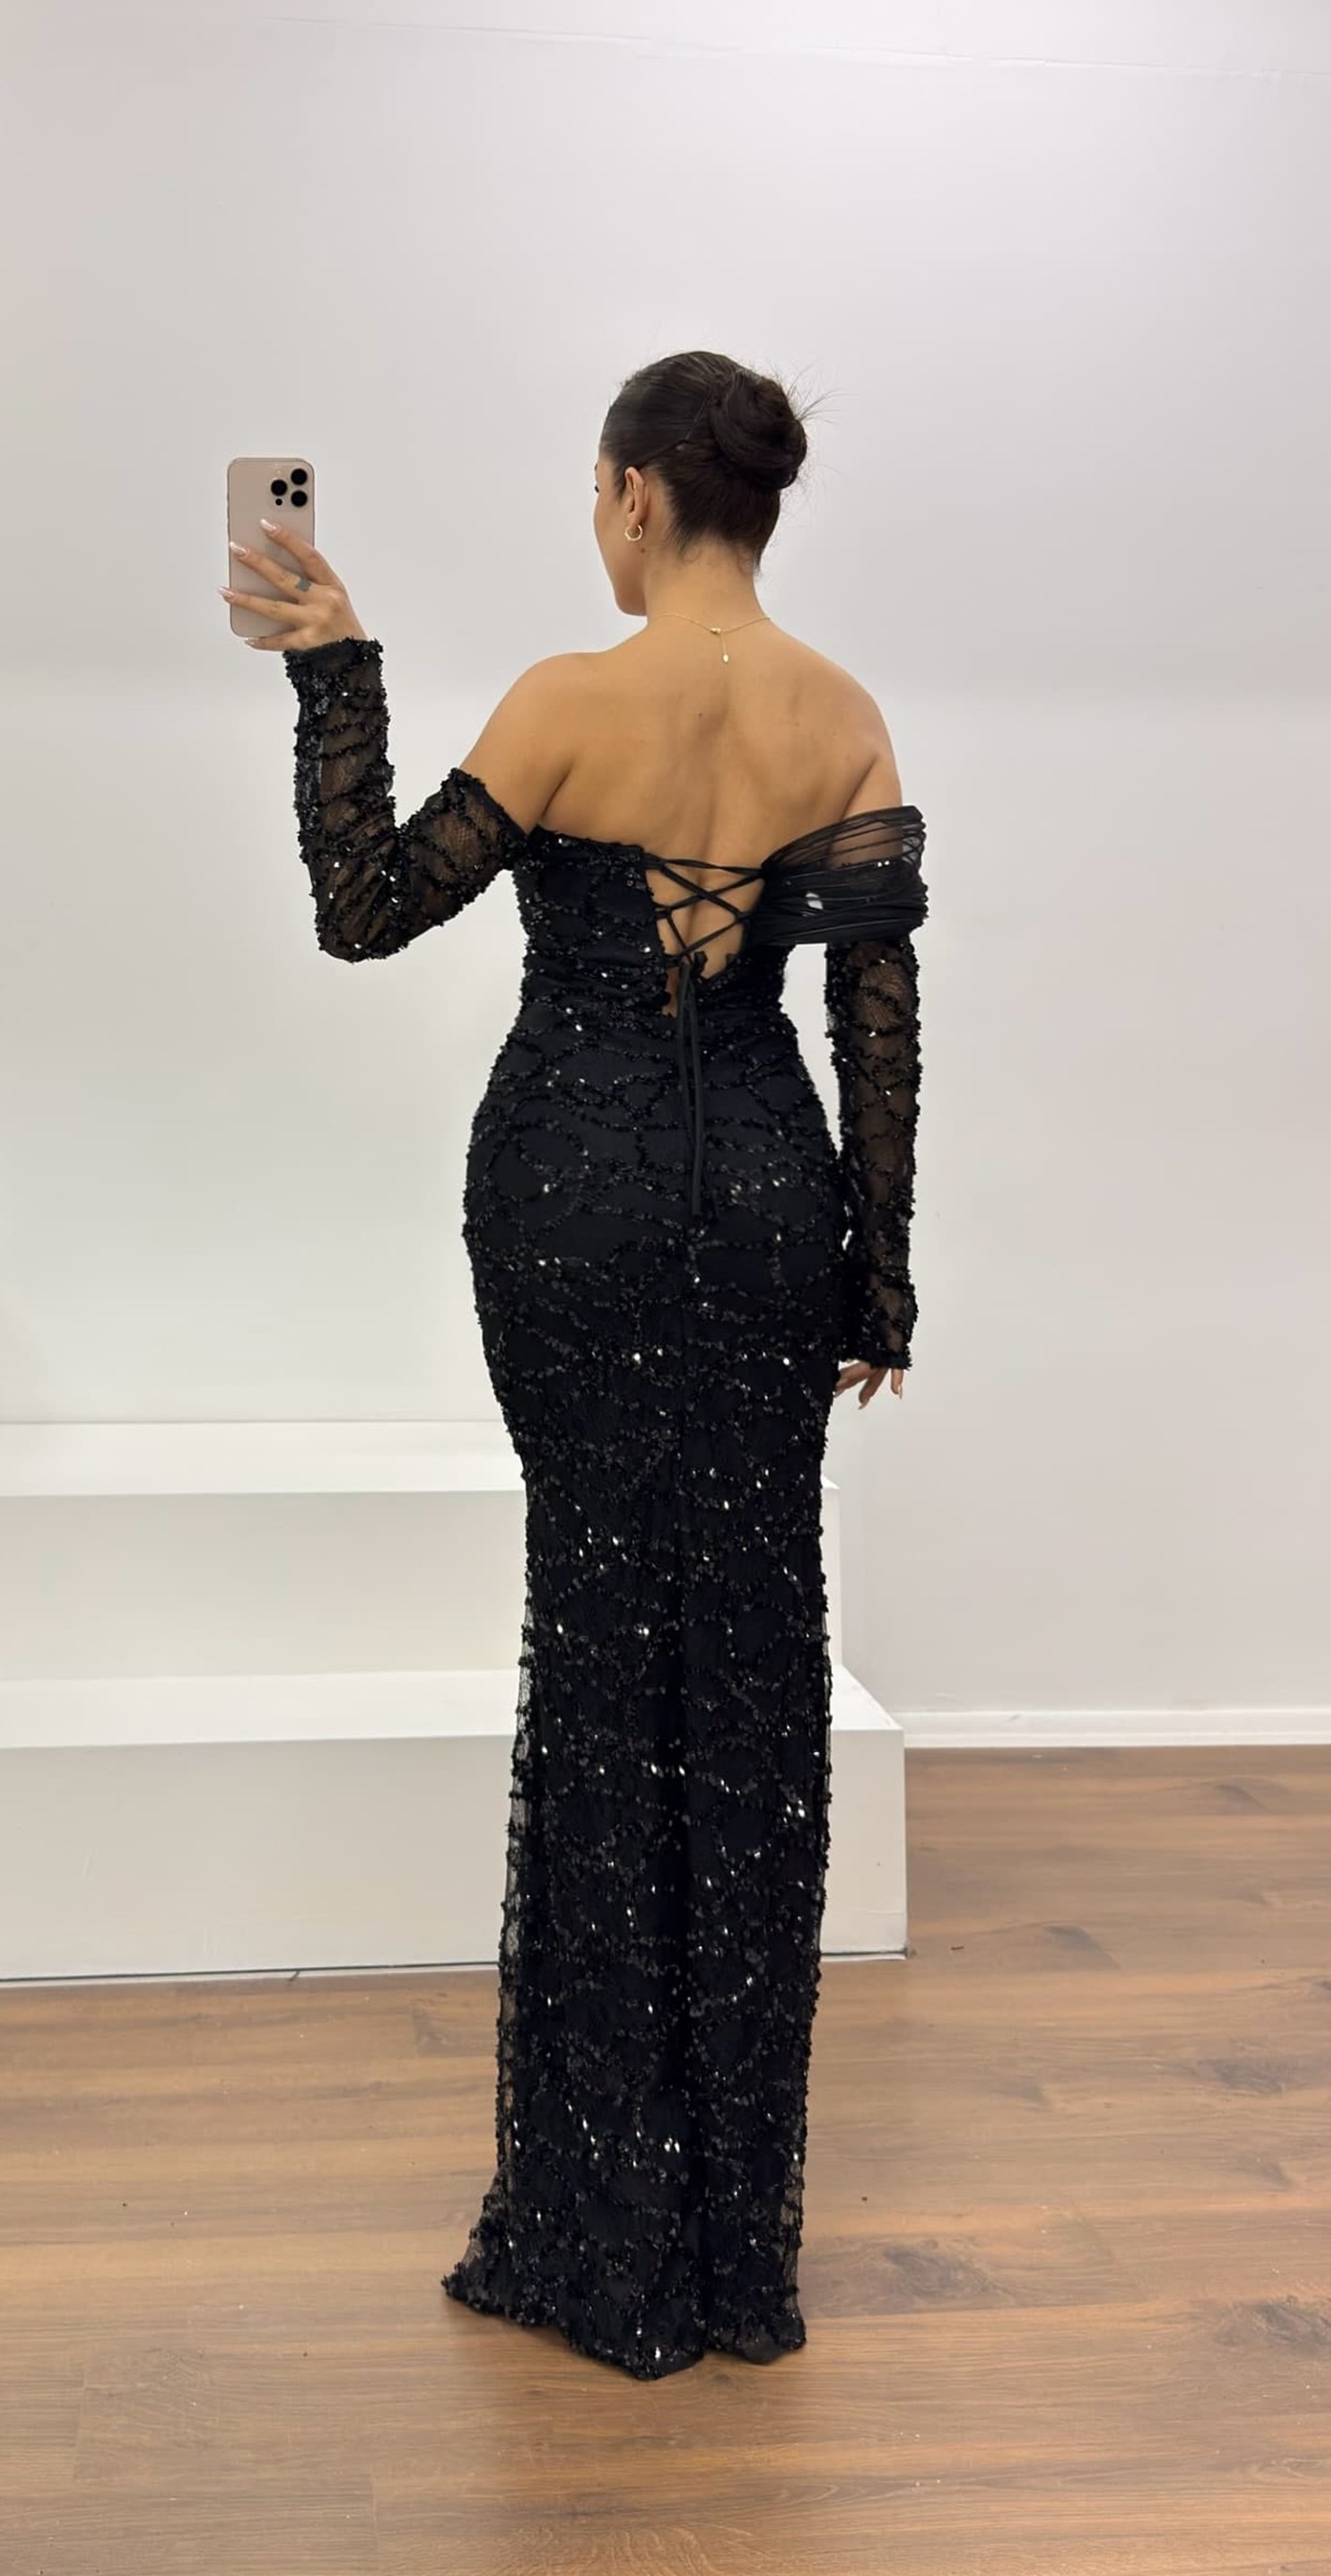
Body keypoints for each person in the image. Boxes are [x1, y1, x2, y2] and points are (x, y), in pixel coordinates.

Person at [222, 348, 928, 2379]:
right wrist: (876, 1282)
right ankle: (731, 2243)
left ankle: (598, 2218)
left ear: (631, 493)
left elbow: (365, 907)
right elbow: (874, 1015)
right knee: (754, 1663)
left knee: (601, 1643)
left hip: (571, 1197)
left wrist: (333, 669)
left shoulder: (561, 702)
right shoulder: (841, 715)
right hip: (768, 1197)